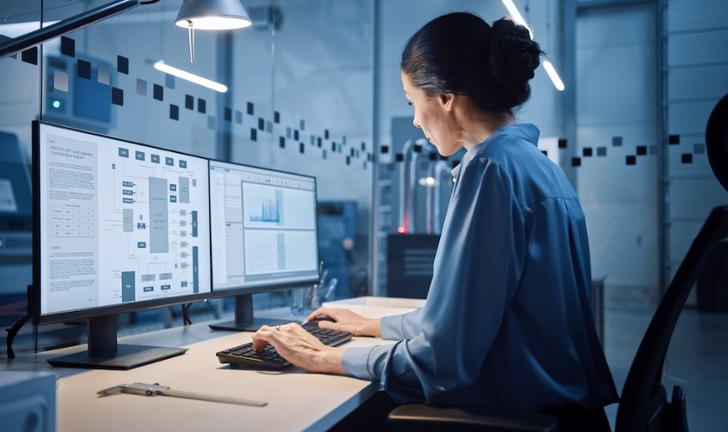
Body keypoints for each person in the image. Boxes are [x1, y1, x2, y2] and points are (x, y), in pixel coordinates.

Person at [251, 12, 618, 428]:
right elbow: (462, 320)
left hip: (524, 416)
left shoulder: (492, 170)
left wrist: (325, 356)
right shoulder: (534, 165)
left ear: (445, 97)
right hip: (567, 414)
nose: (414, 120)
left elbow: (445, 363)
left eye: (412, 102)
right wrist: (373, 325)